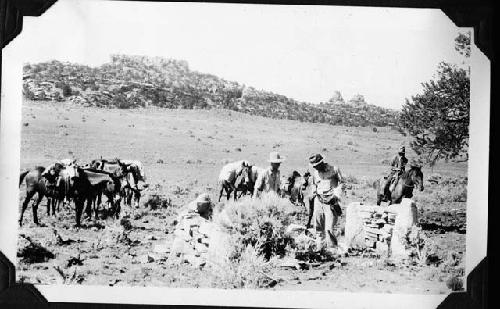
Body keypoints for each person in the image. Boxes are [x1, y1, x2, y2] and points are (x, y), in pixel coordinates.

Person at [308, 153, 343, 250]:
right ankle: (320, 250)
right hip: (318, 201)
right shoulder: (315, 173)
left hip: (331, 202)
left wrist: (336, 195)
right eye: (313, 166)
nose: (315, 168)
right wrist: (313, 193)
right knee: (318, 229)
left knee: (329, 229)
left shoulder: (334, 170)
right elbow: (314, 184)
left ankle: (332, 251)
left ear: (321, 162)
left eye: (317, 165)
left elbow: (341, 183)